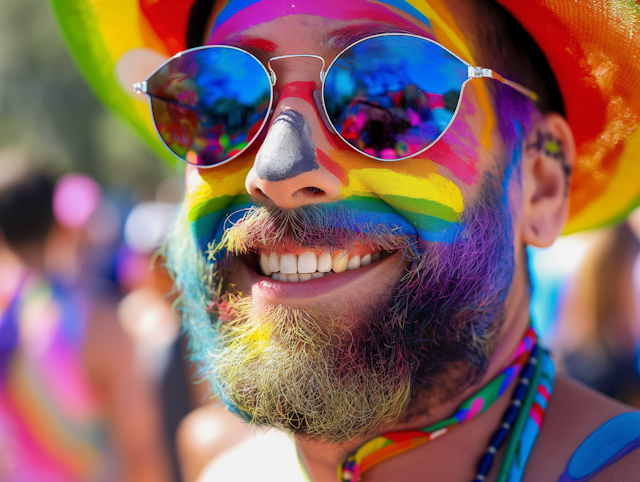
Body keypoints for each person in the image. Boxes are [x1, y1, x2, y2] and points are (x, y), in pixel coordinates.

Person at [51, 0, 640, 480]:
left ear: (539, 183)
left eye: (387, 98)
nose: (276, 173)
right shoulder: (228, 472)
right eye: (218, 100)